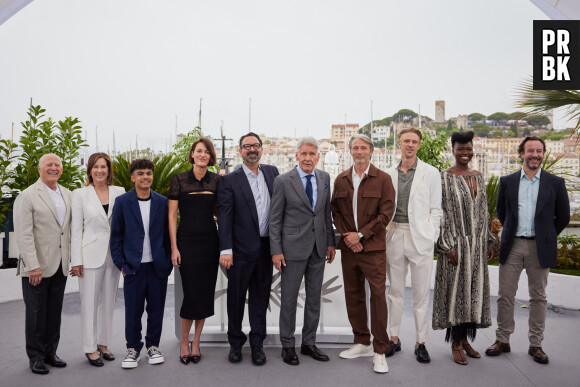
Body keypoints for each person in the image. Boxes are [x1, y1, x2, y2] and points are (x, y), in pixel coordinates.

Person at [485, 136, 569, 364]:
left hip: (540, 247)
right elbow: (502, 212)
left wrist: (547, 236)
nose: (535, 154)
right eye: (530, 150)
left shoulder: (555, 183)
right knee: (505, 296)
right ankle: (502, 340)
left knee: (539, 297)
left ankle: (536, 345)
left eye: (539, 151)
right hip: (512, 245)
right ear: (522, 154)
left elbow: (563, 217)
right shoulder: (508, 181)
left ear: (543, 154)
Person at [331, 134, 395, 374]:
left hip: (373, 249)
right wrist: (349, 236)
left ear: (371, 151)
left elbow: (386, 215)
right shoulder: (341, 179)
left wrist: (361, 235)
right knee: (354, 295)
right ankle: (361, 342)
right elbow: (336, 212)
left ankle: (380, 350)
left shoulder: (384, 179)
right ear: (350, 151)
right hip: (350, 249)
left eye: (363, 148)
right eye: (355, 148)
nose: (359, 152)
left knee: (377, 297)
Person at [269, 136, 336, 366]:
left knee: (314, 299)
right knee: (288, 299)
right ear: (296, 156)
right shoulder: (283, 181)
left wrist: (330, 242)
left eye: (312, 154)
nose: (308, 158)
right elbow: (274, 219)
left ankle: (309, 343)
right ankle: (288, 345)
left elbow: (325, 213)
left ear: (318, 157)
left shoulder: (325, 178)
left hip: (318, 248)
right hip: (291, 250)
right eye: (304, 154)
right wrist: (275, 250)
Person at [433, 131, 495, 365]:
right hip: (455, 247)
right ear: (453, 150)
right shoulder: (444, 177)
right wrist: (447, 246)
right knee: (456, 294)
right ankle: (456, 343)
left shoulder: (478, 176)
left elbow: (484, 211)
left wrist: (489, 240)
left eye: (468, 148)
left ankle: (467, 340)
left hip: (477, 247)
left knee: (472, 294)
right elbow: (441, 214)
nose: (465, 153)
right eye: (461, 148)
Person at [217, 132, 279, 366]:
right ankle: (235, 344)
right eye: (247, 146)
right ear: (240, 150)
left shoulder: (272, 173)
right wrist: (226, 249)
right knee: (235, 298)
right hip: (239, 251)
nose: (252, 149)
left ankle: (257, 344)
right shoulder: (229, 180)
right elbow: (224, 217)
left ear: (261, 149)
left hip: (266, 249)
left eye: (255, 145)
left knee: (260, 299)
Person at [385, 128, 442, 363]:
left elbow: (436, 209)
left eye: (414, 142)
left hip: (421, 239)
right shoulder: (387, 174)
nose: (410, 145)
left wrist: (431, 235)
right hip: (395, 234)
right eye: (406, 141)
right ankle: (394, 339)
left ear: (419, 145)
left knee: (420, 294)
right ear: (399, 143)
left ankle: (421, 342)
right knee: (395, 291)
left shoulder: (431, 173)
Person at [110, 159, 172, 369]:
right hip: (133, 268)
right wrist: (122, 265)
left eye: (149, 173)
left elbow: (168, 234)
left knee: (156, 310)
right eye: (141, 173)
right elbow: (116, 236)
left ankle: (153, 346)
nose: (146, 176)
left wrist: (166, 264)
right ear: (133, 177)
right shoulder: (122, 202)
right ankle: (133, 349)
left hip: (157, 267)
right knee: (133, 311)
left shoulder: (162, 202)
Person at [13, 153, 72, 375]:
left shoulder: (67, 194)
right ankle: (36, 357)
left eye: (57, 164)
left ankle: (50, 352)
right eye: (49, 164)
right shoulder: (27, 196)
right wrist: (32, 265)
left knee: (54, 312)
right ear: (40, 168)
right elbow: (24, 234)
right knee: (36, 313)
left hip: (60, 265)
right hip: (36, 267)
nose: (54, 168)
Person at [168, 138, 220, 365]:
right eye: (199, 151)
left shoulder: (217, 180)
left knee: (205, 294)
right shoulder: (179, 179)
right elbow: (171, 217)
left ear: (210, 156)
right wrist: (174, 247)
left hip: (210, 243)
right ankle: (183, 342)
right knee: (190, 294)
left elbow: (223, 213)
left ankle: (196, 342)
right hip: (186, 243)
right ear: (192, 154)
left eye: (206, 152)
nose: (202, 155)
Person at [71, 153, 125, 367]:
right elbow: (76, 230)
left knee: (109, 303)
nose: (100, 170)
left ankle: (104, 343)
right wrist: (76, 261)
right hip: (89, 256)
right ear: (90, 170)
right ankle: (90, 348)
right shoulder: (80, 194)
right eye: (96, 167)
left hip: (113, 255)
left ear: (109, 170)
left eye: (103, 166)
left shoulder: (119, 192)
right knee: (89, 304)